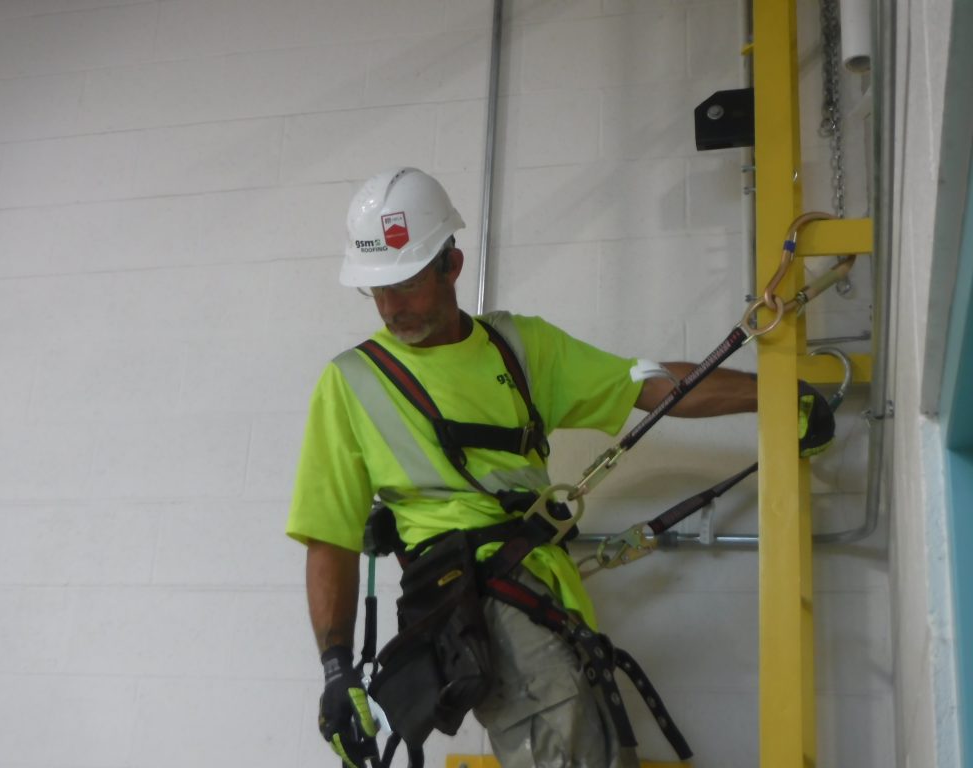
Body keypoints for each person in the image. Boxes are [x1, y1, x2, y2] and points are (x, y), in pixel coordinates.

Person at [286, 167, 828, 768]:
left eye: (407, 284)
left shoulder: (519, 348)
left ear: (452, 265)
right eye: (376, 290)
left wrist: (778, 394)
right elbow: (328, 539)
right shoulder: (351, 383)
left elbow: (649, 387)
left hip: (549, 593)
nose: (390, 307)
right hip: (479, 604)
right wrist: (337, 670)